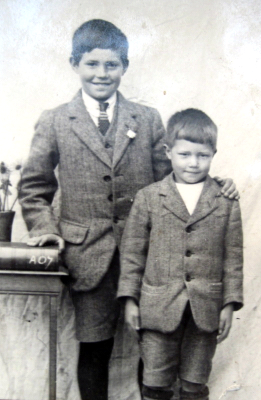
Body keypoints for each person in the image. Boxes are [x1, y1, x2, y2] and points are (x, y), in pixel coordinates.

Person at [18, 19, 239, 400]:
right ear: (74, 64)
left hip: (153, 257)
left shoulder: (148, 119)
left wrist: (215, 186)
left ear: (125, 66)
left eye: (111, 65)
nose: (102, 74)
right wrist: (44, 228)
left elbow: (171, 179)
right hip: (87, 256)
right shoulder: (56, 120)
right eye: (92, 64)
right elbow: (35, 187)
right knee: (94, 348)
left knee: (155, 347)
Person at [117, 108, 243, 400]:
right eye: (184, 154)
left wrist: (228, 304)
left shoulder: (225, 201)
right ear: (168, 151)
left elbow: (233, 258)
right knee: (156, 383)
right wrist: (130, 300)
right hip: (157, 307)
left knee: (195, 384)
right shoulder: (149, 197)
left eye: (202, 155)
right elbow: (133, 254)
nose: (194, 163)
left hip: (206, 309)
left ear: (213, 153)